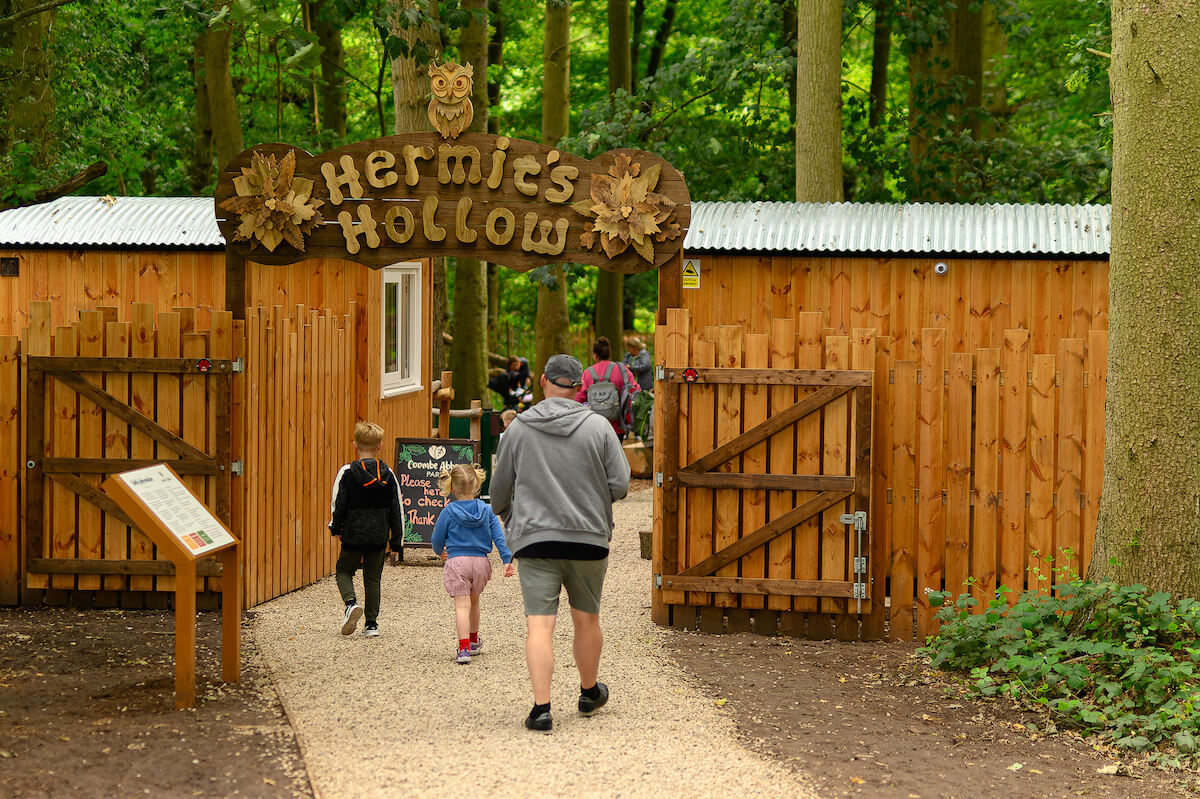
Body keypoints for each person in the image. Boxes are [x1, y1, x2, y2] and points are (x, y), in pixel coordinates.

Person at [491, 354, 632, 732]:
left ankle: (541, 709)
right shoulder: (599, 427)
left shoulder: (518, 429)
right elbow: (620, 484)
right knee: (586, 618)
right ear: (580, 386)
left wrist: (510, 518)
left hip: (536, 540)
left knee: (540, 625)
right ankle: (588, 692)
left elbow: (499, 489)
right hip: (588, 539)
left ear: (542, 381)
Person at [431, 464, 515, 664]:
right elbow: (499, 537)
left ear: (452, 488)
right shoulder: (487, 511)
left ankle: (463, 649)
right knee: (474, 601)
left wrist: (439, 551)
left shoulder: (448, 512)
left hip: (458, 561)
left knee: (462, 606)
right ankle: (474, 640)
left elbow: (436, 539)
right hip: (480, 563)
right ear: (477, 485)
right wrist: (506, 560)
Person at [328, 421, 404, 638]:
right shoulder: (388, 474)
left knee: (343, 570)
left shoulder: (347, 473)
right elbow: (396, 510)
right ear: (380, 446)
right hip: (378, 536)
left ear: (355, 444)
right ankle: (371, 624)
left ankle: (351, 603)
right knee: (373, 578)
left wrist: (336, 527)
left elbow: (338, 504)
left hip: (353, 534)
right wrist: (396, 541)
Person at [575, 337, 640, 438]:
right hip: (617, 427)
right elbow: (635, 390)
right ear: (609, 354)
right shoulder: (621, 369)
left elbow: (578, 399)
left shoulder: (587, 373)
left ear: (595, 356)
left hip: (594, 428)